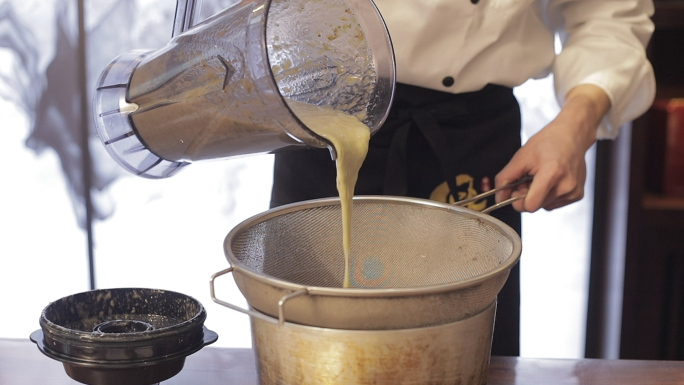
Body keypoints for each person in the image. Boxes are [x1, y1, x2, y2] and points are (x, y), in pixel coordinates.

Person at [269, 0, 656, 356]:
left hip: (467, 143)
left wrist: (576, 125)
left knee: (465, 355)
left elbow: (608, 15)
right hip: (322, 126)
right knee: (309, 350)